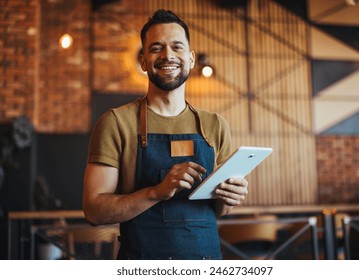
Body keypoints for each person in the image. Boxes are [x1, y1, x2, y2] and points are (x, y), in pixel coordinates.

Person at [83, 9, 249, 260]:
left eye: (177, 47)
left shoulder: (215, 125)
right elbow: (94, 211)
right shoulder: (116, 123)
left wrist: (230, 197)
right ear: (143, 61)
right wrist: (156, 191)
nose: (168, 55)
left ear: (191, 58)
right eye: (156, 48)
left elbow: (219, 210)